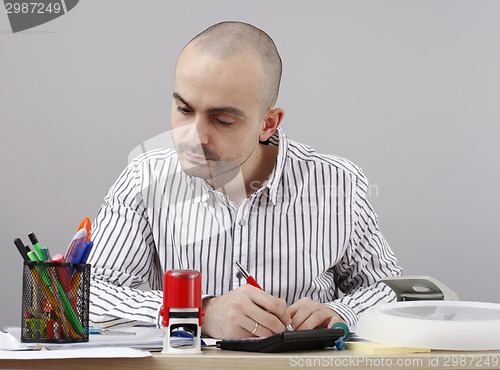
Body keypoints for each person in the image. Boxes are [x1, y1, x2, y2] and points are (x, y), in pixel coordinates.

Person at [88, 21, 403, 339]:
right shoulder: (145, 179)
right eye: (184, 109)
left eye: (222, 120)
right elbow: (88, 295)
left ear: (268, 123)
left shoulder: (337, 183)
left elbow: (392, 292)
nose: (193, 138)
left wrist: (342, 312)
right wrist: (200, 311)